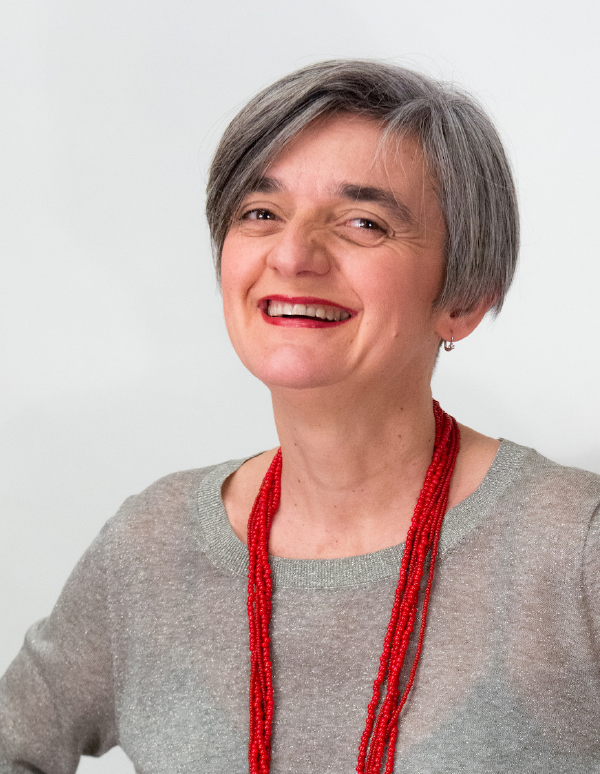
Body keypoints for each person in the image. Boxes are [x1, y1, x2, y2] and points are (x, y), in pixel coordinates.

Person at [1, 59, 599, 774]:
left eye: (362, 222)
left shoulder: (574, 552)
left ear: (463, 298)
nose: (291, 254)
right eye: (261, 213)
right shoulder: (150, 548)